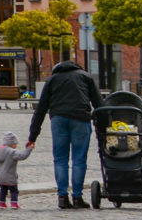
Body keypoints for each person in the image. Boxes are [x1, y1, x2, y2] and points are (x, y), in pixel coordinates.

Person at [27, 55, 104, 208]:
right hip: (80, 119)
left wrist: (33, 136)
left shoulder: (52, 80)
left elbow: (41, 109)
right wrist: (105, 127)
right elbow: (99, 104)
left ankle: (62, 197)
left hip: (58, 120)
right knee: (79, 159)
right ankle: (77, 197)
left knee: (60, 159)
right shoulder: (85, 77)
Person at [0, 130, 36, 208]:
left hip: (0, 177)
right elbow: (23, 156)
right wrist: (29, 149)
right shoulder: (12, 152)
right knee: (14, 191)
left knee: (3, 190)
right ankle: (14, 203)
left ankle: (1, 203)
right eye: (16, 143)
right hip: (10, 177)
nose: (16, 145)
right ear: (11, 144)